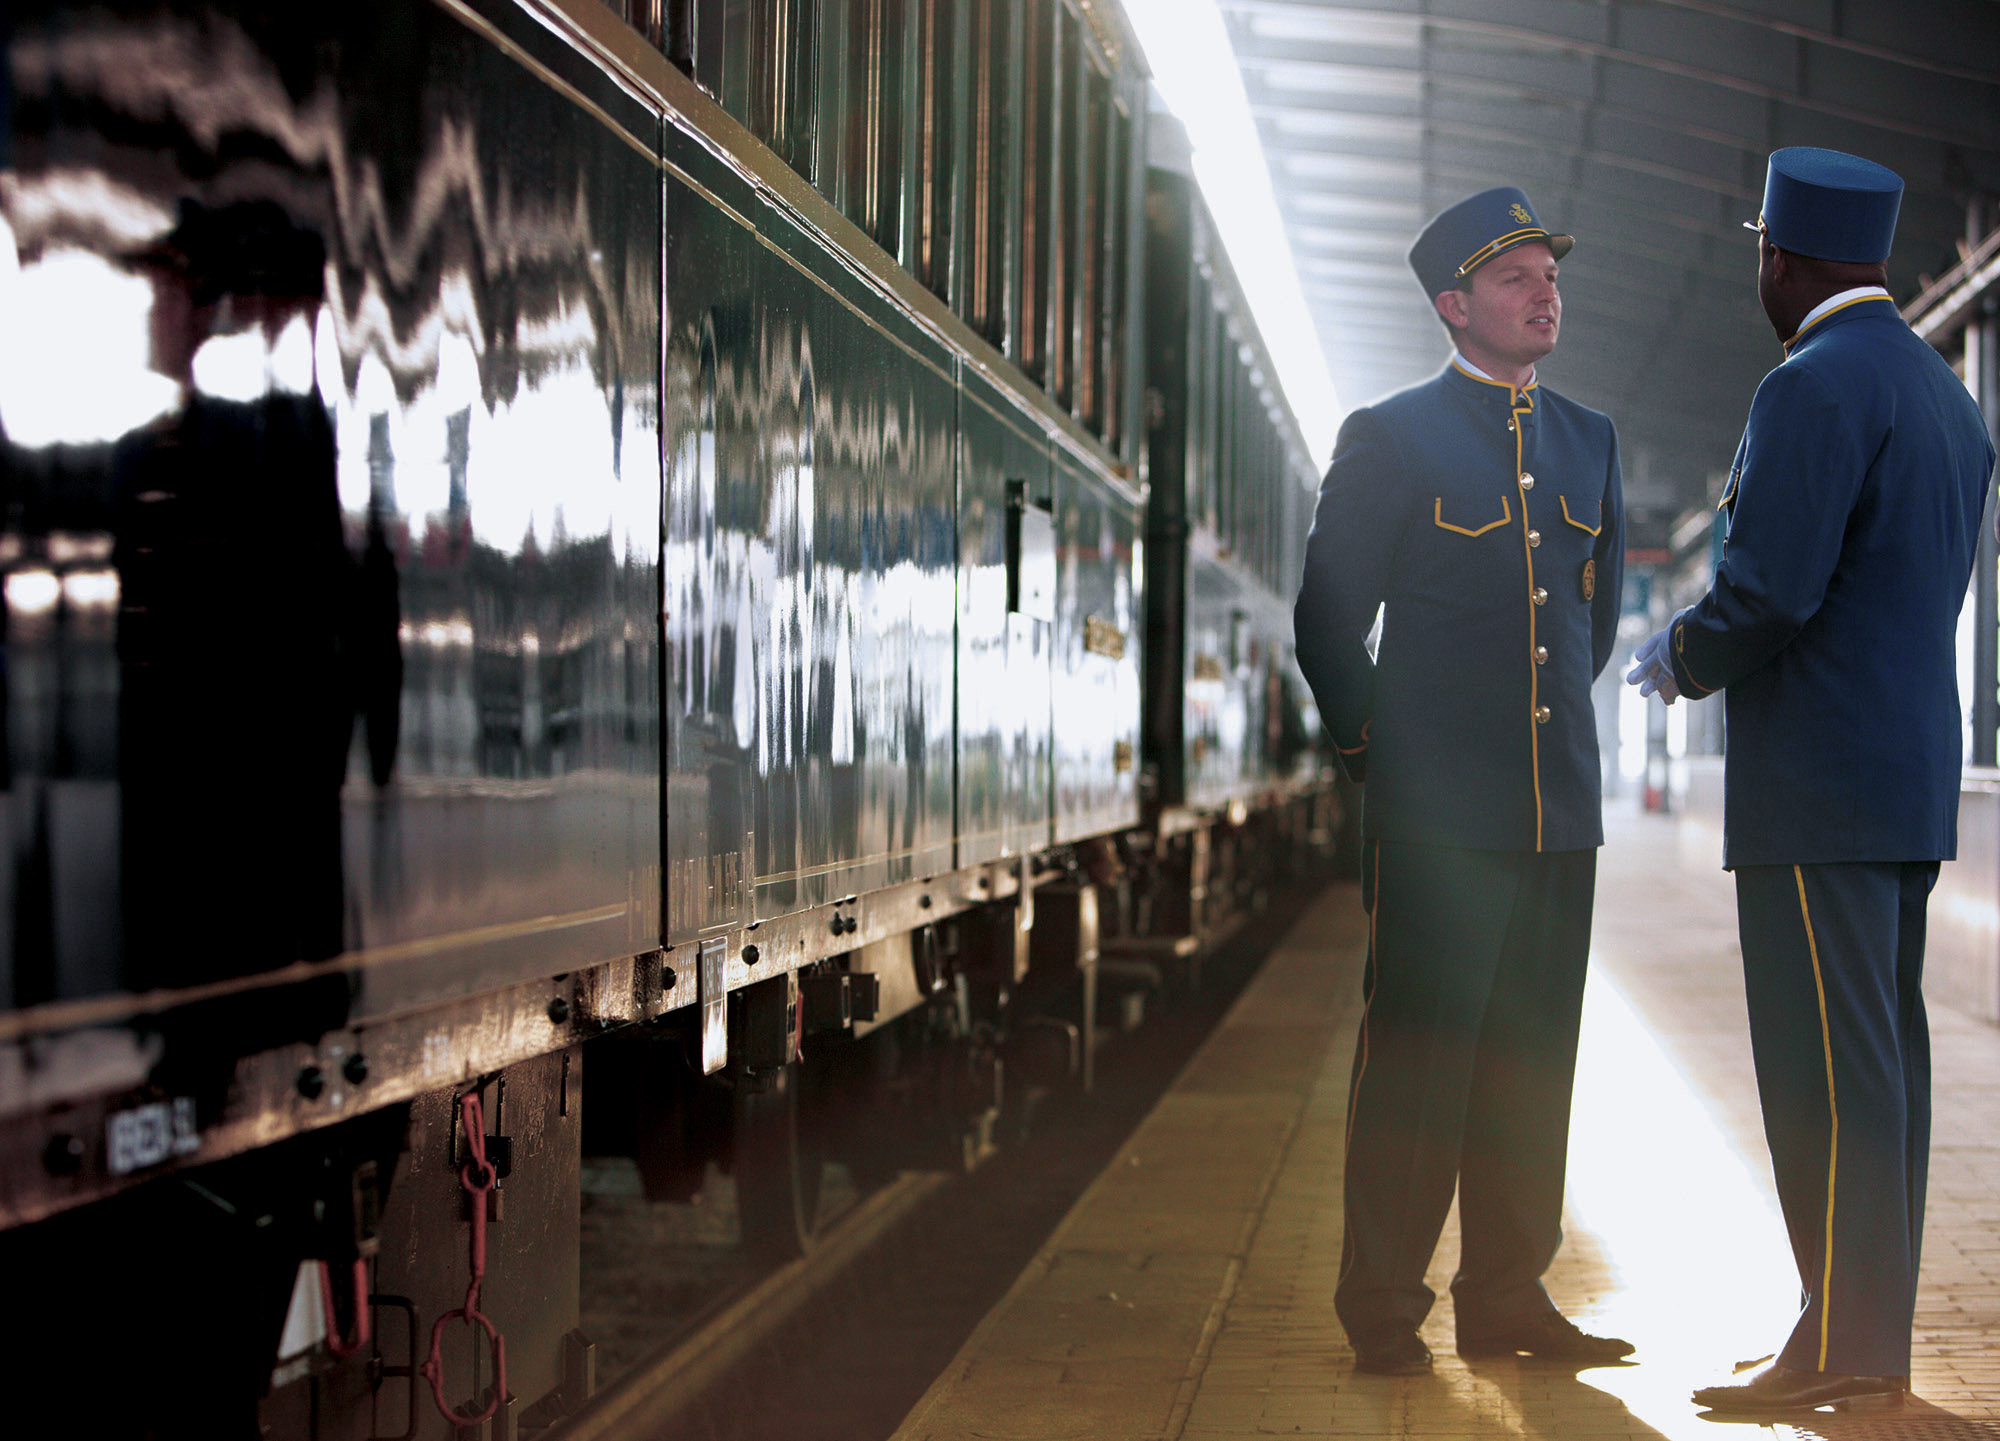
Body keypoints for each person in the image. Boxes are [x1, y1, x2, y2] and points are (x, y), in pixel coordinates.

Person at [1627, 148, 1994, 1414]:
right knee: (1880, 1068)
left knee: (1818, 1074)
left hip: (1814, 790)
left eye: (1760, 258)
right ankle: (1847, 1331)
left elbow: (1769, 589)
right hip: (1901, 784)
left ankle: (1847, 1354)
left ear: (1780, 259)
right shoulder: (1944, 399)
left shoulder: (1809, 386)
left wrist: (1676, 654)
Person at [1294, 188, 1629, 1376]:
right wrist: (1381, 763)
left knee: (1531, 1064)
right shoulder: (1388, 435)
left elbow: (1596, 620)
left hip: (1556, 820)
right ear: (1451, 305)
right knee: (1419, 1069)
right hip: (1434, 824)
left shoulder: (1588, 438)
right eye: (1513, 278)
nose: (1544, 291)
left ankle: (1505, 1298)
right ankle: (1383, 1304)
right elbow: (1328, 622)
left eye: (1549, 272)